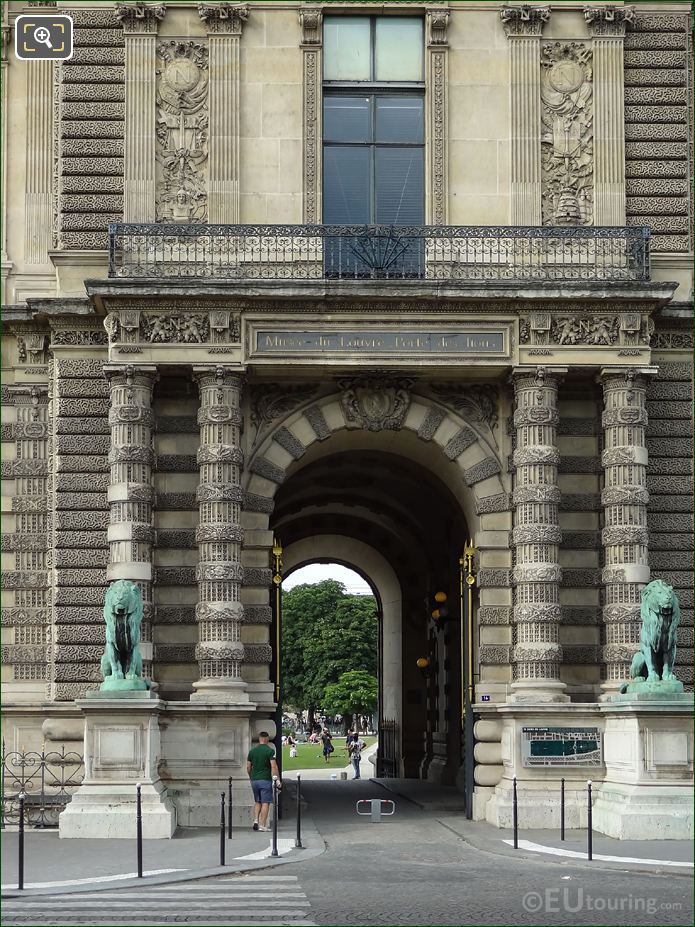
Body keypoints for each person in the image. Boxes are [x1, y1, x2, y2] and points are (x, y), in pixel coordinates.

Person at [246, 731, 281, 831]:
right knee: (266, 802)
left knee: (257, 801)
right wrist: (277, 779)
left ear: (259, 739)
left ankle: (256, 820)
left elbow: (248, 767)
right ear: (267, 739)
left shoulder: (252, 751)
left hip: (254, 780)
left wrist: (251, 776)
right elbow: (273, 766)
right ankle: (262, 824)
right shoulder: (270, 751)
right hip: (265, 779)